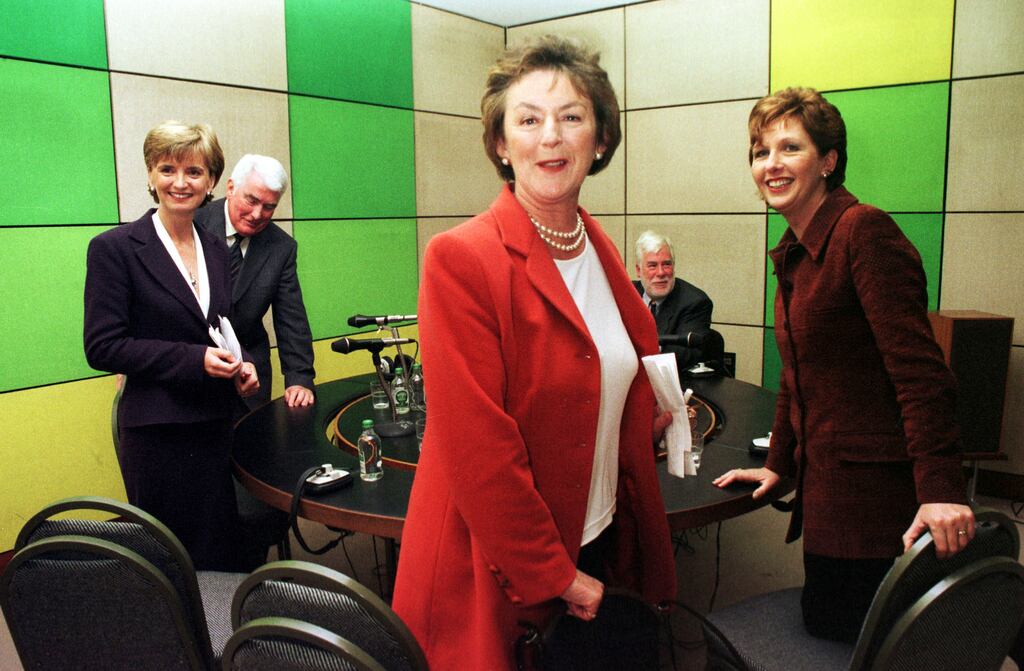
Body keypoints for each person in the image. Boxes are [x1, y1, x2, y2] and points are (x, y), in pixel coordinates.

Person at [392, 36, 676, 670]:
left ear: (599, 138)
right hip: (500, 570)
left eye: (572, 117)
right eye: (528, 119)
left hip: (596, 536)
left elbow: (592, 375)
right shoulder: (462, 258)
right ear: (501, 143)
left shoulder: (601, 252)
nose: (551, 136)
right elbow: (478, 444)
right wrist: (558, 576)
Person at [713, 87, 973, 643]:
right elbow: (797, 375)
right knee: (832, 630)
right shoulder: (797, 251)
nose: (771, 164)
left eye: (790, 148)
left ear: (828, 160)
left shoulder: (864, 232)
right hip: (830, 501)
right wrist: (779, 462)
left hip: (879, 512)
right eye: (760, 151)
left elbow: (921, 374)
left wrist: (941, 490)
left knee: (862, 645)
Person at [84, 121, 259, 571]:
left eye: (194, 172)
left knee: (218, 555)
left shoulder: (218, 250)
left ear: (213, 182)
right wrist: (194, 360)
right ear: (149, 175)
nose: (180, 183)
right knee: (168, 564)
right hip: (157, 434)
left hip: (215, 426)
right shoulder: (114, 248)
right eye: (167, 169)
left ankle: (218, 641)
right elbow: (102, 346)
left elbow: (215, 325)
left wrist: (240, 365)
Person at [195, 154, 315, 411]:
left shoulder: (281, 247)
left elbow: (291, 317)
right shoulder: (193, 223)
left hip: (251, 374)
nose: (258, 214)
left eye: (269, 207)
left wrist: (300, 378)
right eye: (251, 200)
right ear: (230, 188)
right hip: (193, 367)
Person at [633, 230, 714, 371]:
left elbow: (678, 357)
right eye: (652, 265)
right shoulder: (625, 295)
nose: (661, 273)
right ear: (638, 270)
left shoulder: (695, 302)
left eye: (666, 264)